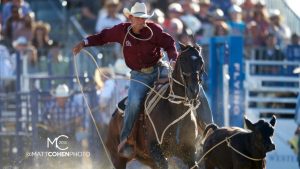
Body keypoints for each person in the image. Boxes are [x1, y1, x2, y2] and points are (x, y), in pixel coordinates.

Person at [73, 2, 178, 158]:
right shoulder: (121, 31)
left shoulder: (154, 30)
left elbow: (169, 44)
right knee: (134, 101)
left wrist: (173, 59)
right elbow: (103, 37)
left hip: (159, 69)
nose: (142, 21)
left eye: (144, 18)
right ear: (130, 18)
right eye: (138, 18)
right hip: (139, 75)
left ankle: (191, 128)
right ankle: (126, 138)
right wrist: (85, 43)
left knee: (180, 88)